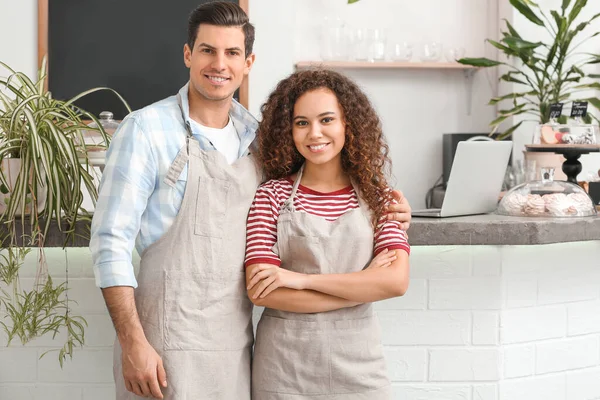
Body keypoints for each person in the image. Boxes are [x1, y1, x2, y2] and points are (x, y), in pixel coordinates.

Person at [90, 2, 412, 399]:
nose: (219, 64)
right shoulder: (145, 130)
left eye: (232, 53)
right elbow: (110, 244)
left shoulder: (260, 138)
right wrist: (132, 344)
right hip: (164, 345)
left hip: (235, 350)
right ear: (188, 54)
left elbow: (315, 189)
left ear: (248, 62)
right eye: (207, 50)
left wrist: (393, 211)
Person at [245, 69, 410, 400]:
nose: (314, 133)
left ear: (348, 124)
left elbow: (395, 282)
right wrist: (363, 285)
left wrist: (300, 281)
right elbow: (262, 292)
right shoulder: (271, 195)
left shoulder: (380, 198)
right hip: (284, 368)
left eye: (326, 120)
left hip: (360, 366)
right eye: (302, 122)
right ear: (288, 130)